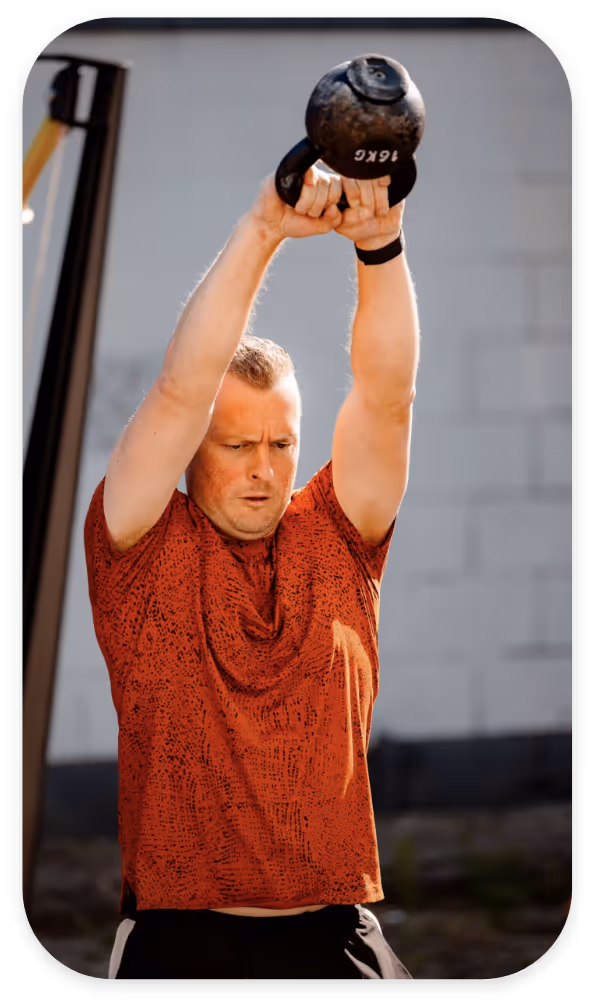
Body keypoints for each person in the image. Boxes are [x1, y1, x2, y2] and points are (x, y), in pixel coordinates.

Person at [84, 165, 419, 981]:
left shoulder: (338, 534)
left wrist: (378, 245)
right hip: (183, 944)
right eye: (236, 446)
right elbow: (176, 389)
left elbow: (386, 397)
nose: (264, 469)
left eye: (281, 444)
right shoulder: (139, 542)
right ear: (191, 452)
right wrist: (263, 229)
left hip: (335, 933)